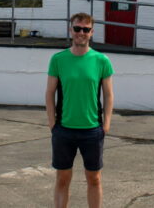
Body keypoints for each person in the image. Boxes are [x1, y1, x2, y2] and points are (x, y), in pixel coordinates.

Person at [46, 12, 114, 208]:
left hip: (92, 130)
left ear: (92, 32)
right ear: (71, 30)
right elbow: (50, 93)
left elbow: (108, 94)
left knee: (94, 179)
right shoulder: (58, 59)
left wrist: (106, 124)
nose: (81, 33)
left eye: (85, 29)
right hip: (64, 130)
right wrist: (53, 125)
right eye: (77, 28)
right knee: (62, 179)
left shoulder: (101, 60)